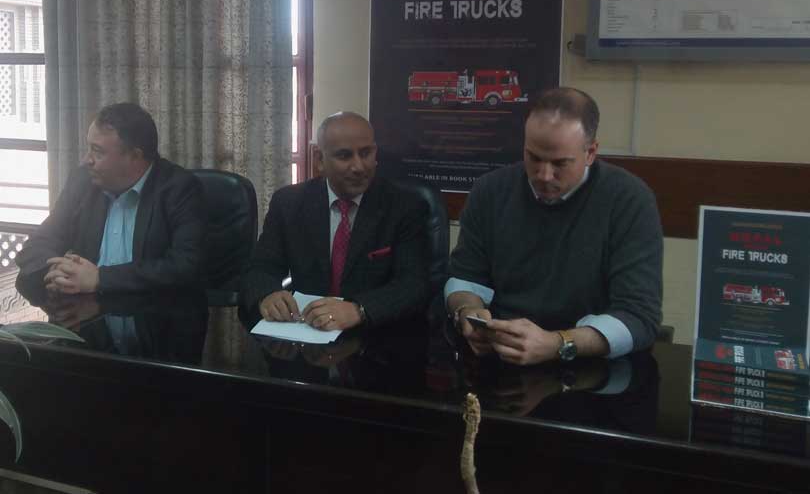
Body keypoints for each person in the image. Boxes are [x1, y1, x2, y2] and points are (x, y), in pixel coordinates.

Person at [445, 87, 663, 365]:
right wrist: (467, 312)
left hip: (589, 367)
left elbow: (639, 316)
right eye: (534, 158)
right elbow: (465, 278)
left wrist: (558, 343)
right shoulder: (490, 190)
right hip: (501, 353)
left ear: (591, 152)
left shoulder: (629, 200)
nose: (544, 175)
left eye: (560, 163)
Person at [240, 111, 430, 331]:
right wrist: (267, 295)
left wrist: (359, 309)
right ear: (319, 159)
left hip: (377, 336)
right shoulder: (289, 203)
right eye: (344, 156)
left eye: (365, 153)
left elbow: (414, 284)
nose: (359, 167)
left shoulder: (405, 206)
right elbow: (261, 267)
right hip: (307, 332)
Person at [15, 102, 206, 297]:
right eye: (89, 148)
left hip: (155, 310)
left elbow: (186, 266)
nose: (87, 160)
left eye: (97, 152)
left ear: (134, 156)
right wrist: (58, 272)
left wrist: (101, 278)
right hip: (88, 308)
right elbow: (37, 245)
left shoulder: (179, 189)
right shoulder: (83, 181)